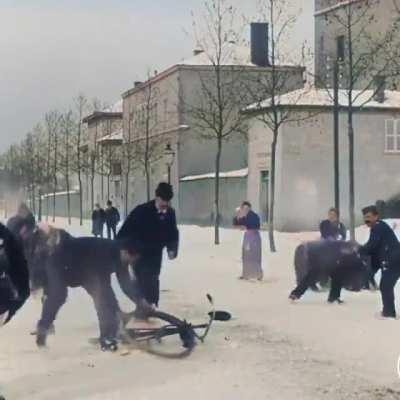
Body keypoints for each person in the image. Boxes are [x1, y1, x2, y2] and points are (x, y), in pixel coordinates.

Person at [117, 182, 179, 318]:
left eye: (168, 201)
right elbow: (124, 231)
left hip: (156, 254)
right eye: (163, 200)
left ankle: (148, 308)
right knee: (143, 280)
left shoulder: (170, 213)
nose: (165, 204)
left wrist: (172, 248)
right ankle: (144, 309)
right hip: (138, 253)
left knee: (153, 279)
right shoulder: (141, 211)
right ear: (157, 197)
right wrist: (124, 248)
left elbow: (173, 233)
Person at [359, 205, 400, 318]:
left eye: (369, 216)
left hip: (393, 261)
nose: (366, 219)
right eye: (365, 217)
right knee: (386, 286)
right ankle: (388, 312)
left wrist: (358, 249)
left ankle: (388, 313)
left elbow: (372, 245)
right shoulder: (379, 227)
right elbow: (375, 250)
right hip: (391, 260)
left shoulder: (378, 227)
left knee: (386, 286)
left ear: (376, 216)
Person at [233, 202, 263, 281]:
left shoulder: (253, 216)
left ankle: (258, 274)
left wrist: (242, 221)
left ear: (249, 208)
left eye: (246, 208)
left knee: (255, 255)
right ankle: (246, 274)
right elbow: (236, 223)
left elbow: (254, 225)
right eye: (243, 208)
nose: (244, 210)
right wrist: (237, 216)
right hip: (248, 237)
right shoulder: (244, 216)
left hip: (254, 237)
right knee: (246, 256)